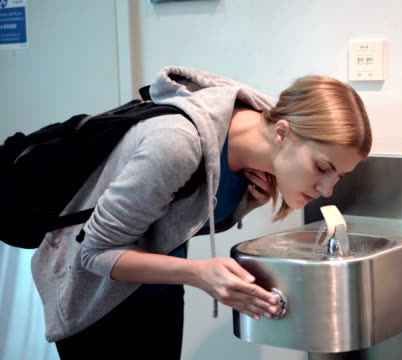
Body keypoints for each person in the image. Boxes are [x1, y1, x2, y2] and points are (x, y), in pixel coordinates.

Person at [30, 66, 372, 359]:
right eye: (322, 167)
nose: (327, 189)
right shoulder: (177, 144)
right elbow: (95, 252)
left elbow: (175, 218)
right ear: (283, 133)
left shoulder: (263, 134)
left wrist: (248, 203)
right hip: (96, 302)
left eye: (339, 176)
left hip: (157, 291)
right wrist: (198, 273)